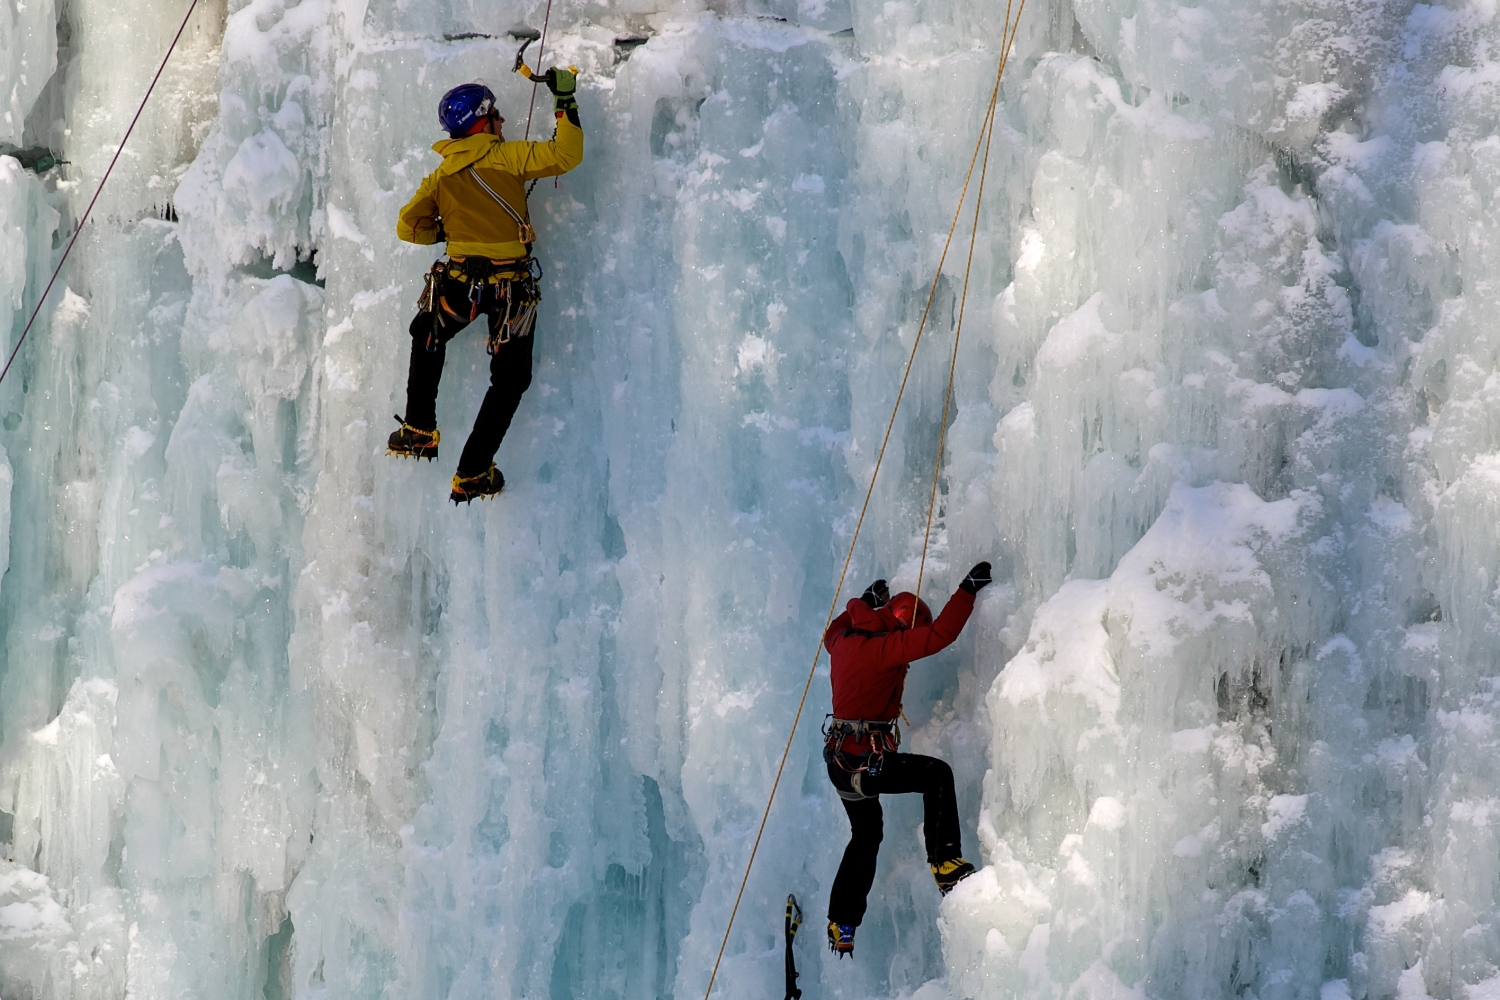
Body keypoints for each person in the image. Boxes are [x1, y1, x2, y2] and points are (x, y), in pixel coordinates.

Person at [390, 69, 584, 504]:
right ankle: (473, 470)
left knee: (428, 333)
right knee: (510, 378)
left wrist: (448, 234)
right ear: (483, 122)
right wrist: (565, 102)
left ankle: (418, 428)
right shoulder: (508, 157)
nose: (500, 119)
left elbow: (408, 227)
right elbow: (566, 154)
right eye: (494, 113)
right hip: (509, 290)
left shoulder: (441, 176)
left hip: (458, 282)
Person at [822, 561, 993, 958]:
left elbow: (831, 630)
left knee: (866, 836)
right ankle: (945, 862)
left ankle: (841, 921)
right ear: (902, 625)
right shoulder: (886, 648)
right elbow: (941, 635)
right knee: (936, 774)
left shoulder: (845, 639)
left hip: (841, 764)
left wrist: (862, 603)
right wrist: (967, 589)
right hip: (867, 762)